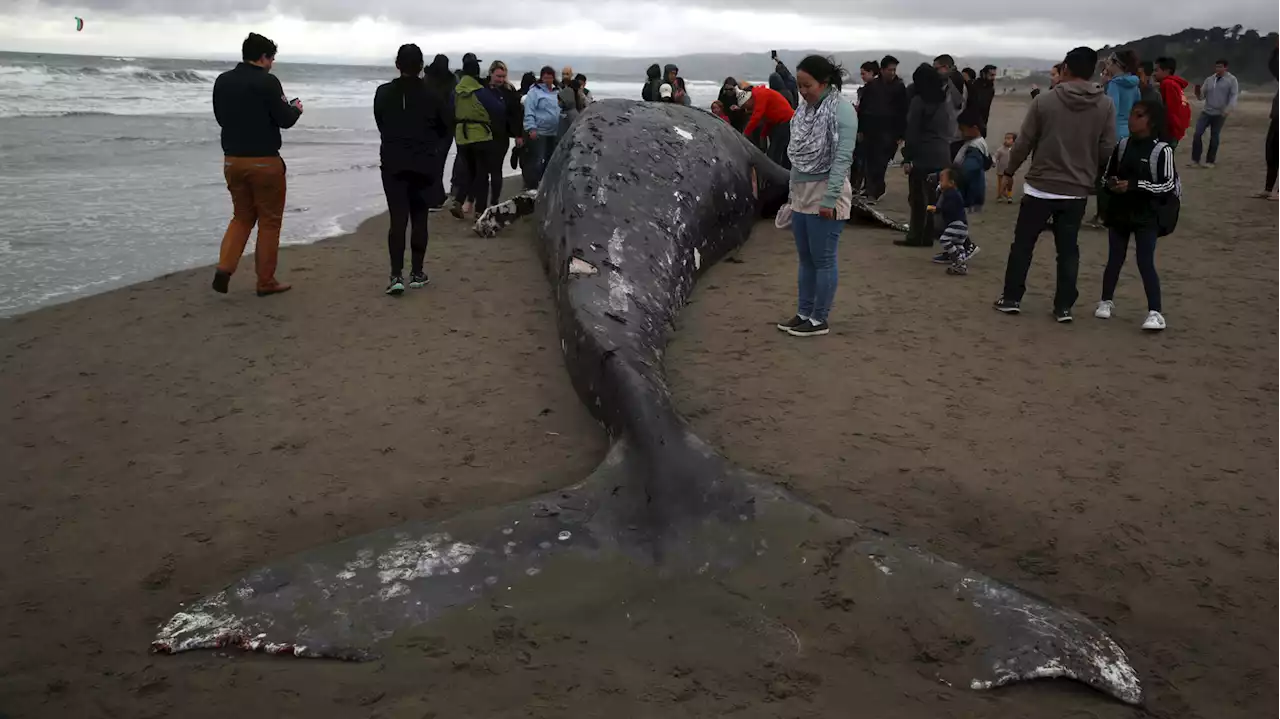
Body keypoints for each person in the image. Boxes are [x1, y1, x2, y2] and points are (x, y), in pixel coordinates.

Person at [994, 46, 1117, 322]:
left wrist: (1010, 169)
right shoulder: (1105, 104)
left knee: (1023, 245)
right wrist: (1097, 180)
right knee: (1068, 249)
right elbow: (1107, 149)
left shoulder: (1045, 101)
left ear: (1065, 70)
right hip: (1076, 190)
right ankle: (1063, 307)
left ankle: (1012, 298)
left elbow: (1024, 142)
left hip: (1040, 186)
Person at [210, 32, 302, 297]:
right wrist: (296, 108)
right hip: (265, 161)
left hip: (232, 160)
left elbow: (220, 117)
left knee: (241, 216)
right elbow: (285, 119)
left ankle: (225, 268)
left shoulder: (222, 81)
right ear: (263, 57)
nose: (272, 63)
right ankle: (265, 281)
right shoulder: (268, 82)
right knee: (270, 222)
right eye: (271, 58)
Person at [775, 55, 856, 338]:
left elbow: (843, 158)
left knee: (823, 259)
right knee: (805, 259)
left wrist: (830, 199)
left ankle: (819, 318)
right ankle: (803, 312)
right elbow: (797, 160)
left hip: (826, 192)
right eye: (799, 85)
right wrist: (791, 195)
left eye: (807, 85)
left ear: (824, 83)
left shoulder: (842, 111)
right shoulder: (804, 111)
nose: (802, 90)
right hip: (801, 193)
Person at [372, 44, 450, 296]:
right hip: (423, 162)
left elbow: (380, 122)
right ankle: (417, 272)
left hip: (393, 161)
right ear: (420, 66)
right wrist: (432, 147)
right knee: (419, 217)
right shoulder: (433, 94)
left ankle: (396, 275)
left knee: (397, 219)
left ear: (397, 65)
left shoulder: (383, 92)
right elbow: (444, 126)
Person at [1096, 100, 1178, 331]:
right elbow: (1105, 177)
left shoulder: (1162, 150)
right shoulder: (1122, 145)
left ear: (1150, 121)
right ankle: (1106, 301)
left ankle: (1155, 312)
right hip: (1121, 212)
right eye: (1132, 114)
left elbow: (1167, 185)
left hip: (1147, 216)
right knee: (1114, 258)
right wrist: (1111, 185)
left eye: (1139, 115)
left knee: (1145, 261)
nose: (1132, 119)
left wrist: (1135, 185)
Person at [898, 63, 951, 248]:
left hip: (923, 155)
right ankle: (930, 234)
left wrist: (907, 157)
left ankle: (916, 237)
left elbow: (912, 132)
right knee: (933, 199)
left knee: (918, 198)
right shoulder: (944, 100)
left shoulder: (919, 101)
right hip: (942, 154)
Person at [449, 56, 503, 220]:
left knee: (468, 171)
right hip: (480, 136)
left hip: (462, 137)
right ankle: (480, 210)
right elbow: (498, 109)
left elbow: (449, 111)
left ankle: (458, 201)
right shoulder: (480, 92)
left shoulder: (456, 92)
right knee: (482, 175)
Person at [857, 55, 908, 202]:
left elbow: (903, 111)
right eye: (889, 69)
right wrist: (860, 129)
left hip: (889, 132)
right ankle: (870, 189)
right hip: (870, 130)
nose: (892, 72)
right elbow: (863, 109)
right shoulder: (872, 86)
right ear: (882, 69)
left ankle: (875, 191)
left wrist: (901, 134)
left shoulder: (899, 87)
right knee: (869, 161)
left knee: (881, 163)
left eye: (894, 69)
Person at [478, 61, 522, 210]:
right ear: (491, 73)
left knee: (496, 169)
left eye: (503, 76)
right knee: (482, 171)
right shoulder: (482, 89)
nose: (501, 80)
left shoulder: (509, 91)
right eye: (498, 76)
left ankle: (494, 202)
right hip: (482, 135)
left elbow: (516, 115)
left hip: (501, 135)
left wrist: (518, 135)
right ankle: (480, 205)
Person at [928, 166, 978, 275]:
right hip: (961, 226)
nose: (939, 182)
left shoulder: (951, 193)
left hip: (957, 224)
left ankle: (958, 260)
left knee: (945, 240)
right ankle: (960, 266)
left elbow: (948, 208)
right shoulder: (951, 192)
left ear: (951, 183)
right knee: (958, 246)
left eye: (942, 180)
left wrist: (937, 209)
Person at [1190, 59, 1239, 168]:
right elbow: (1201, 97)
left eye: (1220, 67)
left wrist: (1228, 109)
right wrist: (1197, 92)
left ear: (1226, 68)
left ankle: (1210, 161)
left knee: (1214, 136)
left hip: (1220, 113)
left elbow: (1233, 96)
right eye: (1217, 67)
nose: (1218, 69)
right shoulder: (1210, 79)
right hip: (1207, 111)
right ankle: (1195, 160)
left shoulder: (1231, 80)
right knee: (1197, 133)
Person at [423, 54, 456, 210]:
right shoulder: (451, 80)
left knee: (432, 162)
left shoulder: (427, 80)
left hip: (430, 127)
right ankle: (436, 197)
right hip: (446, 127)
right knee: (438, 163)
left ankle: (434, 197)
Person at [523, 66, 561, 189]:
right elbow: (529, 111)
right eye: (545, 77)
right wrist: (531, 128)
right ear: (541, 77)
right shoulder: (534, 92)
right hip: (539, 132)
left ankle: (545, 185)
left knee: (551, 161)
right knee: (537, 161)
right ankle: (532, 186)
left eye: (550, 77)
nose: (548, 79)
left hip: (554, 133)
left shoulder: (558, 91)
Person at [741, 82, 795, 169]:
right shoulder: (761, 95)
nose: (747, 110)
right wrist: (763, 135)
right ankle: (785, 172)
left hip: (786, 122)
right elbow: (768, 119)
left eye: (746, 106)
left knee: (775, 152)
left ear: (748, 100)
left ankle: (779, 177)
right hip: (781, 122)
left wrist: (745, 134)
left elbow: (757, 116)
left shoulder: (760, 95)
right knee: (781, 151)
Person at [851, 60, 880, 194]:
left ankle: (858, 185)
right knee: (864, 160)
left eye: (864, 73)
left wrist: (861, 129)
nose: (862, 76)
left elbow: (866, 111)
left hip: (867, 129)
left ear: (871, 73)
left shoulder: (870, 89)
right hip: (871, 129)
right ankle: (863, 186)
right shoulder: (874, 88)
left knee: (861, 159)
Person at [1257, 38, 1280, 200]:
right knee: (1271, 152)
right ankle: (1268, 188)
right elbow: (1273, 67)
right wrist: (1277, 50)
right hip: (1277, 118)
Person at [933, 54, 967, 160]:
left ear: (946, 67)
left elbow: (957, 105)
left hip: (952, 135)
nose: (935, 73)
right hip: (952, 134)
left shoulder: (955, 81)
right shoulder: (954, 80)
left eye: (936, 69)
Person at [953, 119, 990, 212]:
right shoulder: (976, 143)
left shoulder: (974, 149)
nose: (960, 133)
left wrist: (946, 177)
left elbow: (967, 171)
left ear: (974, 129)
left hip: (969, 197)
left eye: (962, 129)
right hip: (972, 195)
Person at [1153, 57, 1191, 146]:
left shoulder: (1167, 84)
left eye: (1156, 70)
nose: (1153, 74)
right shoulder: (1174, 84)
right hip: (1177, 128)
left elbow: (1170, 109)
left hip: (1171, 130)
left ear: (1167, 71)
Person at [1104, 50, 1141, 140]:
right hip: (1129, 130)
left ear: (1117, 64)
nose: (1107, 67)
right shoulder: (1134, 83)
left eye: (1109, 63)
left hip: (1115, 131)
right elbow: (1138, 106)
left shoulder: (1114, 84)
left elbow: (1112, 110)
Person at [962, 64, 997, 136]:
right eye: (991, 75)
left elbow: (983, 105)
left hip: (981, 124)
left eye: (994, 75)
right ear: (984, 74)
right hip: (969, 124)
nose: (993, 78)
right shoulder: (974, 85)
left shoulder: (990, 89)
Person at [993, 132, 1016, 203]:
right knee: (1001, 184)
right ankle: (1000, 195)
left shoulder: (1014, 150)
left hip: (1010, 171)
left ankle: (1009, 195)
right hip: (1001, 170)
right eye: (1006, 138)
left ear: (1014, 140)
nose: (1007, 140)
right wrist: (993, 161)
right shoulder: (1001, 150)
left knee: (1009, 184)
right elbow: (995, 156)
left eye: (1009, 139)